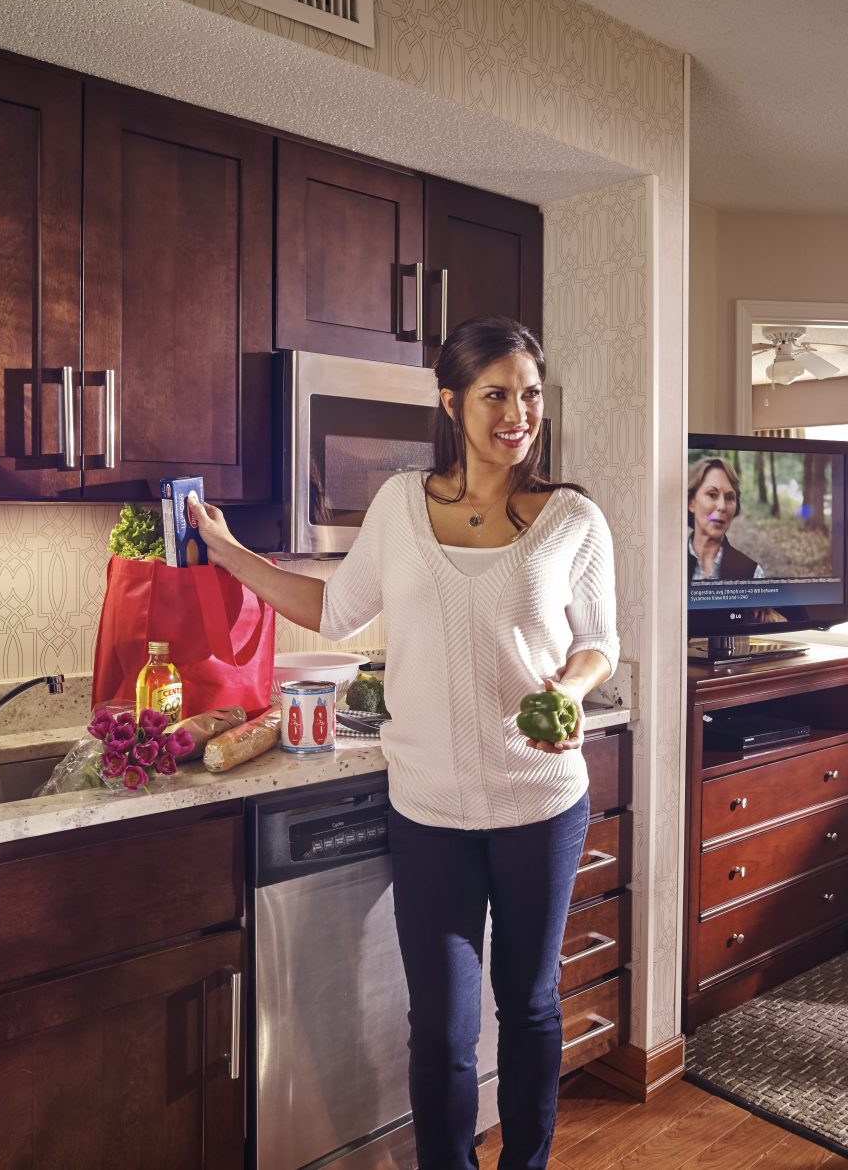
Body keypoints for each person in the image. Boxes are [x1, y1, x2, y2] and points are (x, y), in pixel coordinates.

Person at [187, 317, 617, 1170]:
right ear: (451, 402)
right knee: (444, 1031)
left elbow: (598, 642)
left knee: (529, 1006)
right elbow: (332, 611)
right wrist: (232, 554)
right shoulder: (398, 506)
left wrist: (569, 692)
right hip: (429, 810)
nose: (518, 415)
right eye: (496, 395)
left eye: (530, 395)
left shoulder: (572, 517)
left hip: (539, 804)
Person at [687, 455, 765, 580]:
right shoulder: (665, 566)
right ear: (691, 502)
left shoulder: (752, 574)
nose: (722, 507)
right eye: (712, 495)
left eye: (729, 498)